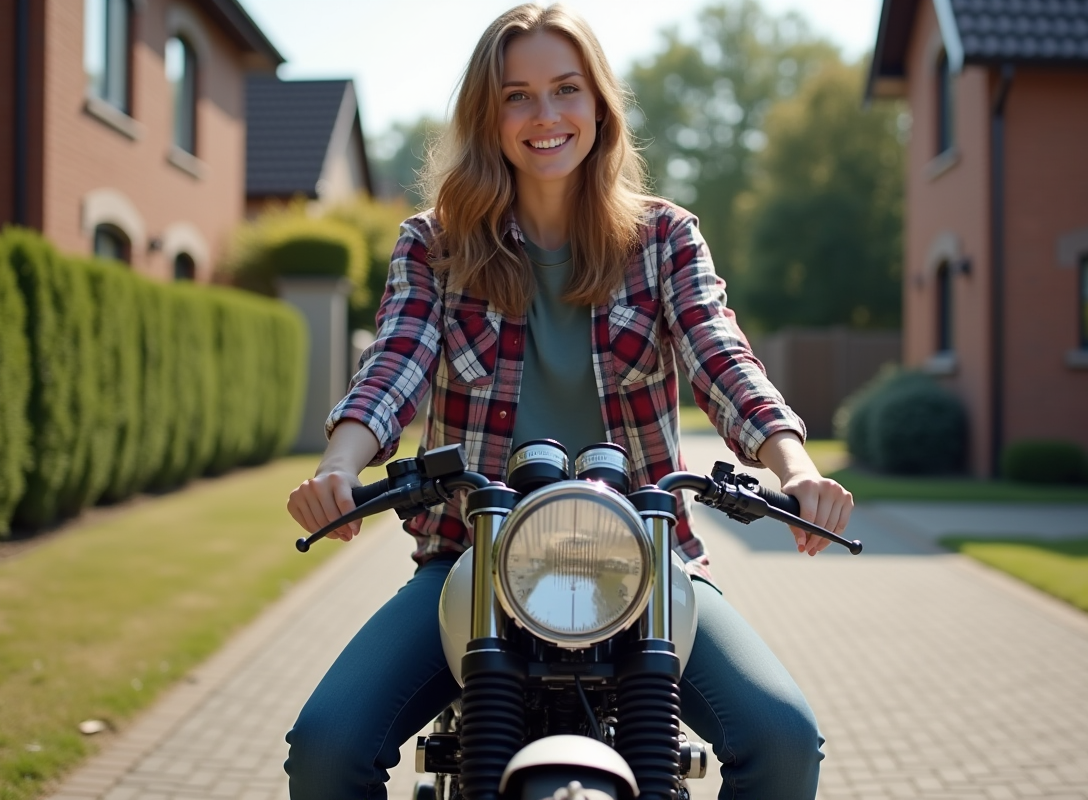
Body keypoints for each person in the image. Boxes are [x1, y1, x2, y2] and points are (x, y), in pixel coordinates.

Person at [284, 4, 854, 799]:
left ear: (599, 104)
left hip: (645, 561)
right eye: (516, 96)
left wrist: (795, 469)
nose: (545, 115)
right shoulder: (436, 244)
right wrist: (338, 469)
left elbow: (720, 356)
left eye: (565, 89)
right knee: (326, 748)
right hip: (472, 557)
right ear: (487, 116)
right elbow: (394, 364)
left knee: (784, 741)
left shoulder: (664, 239)